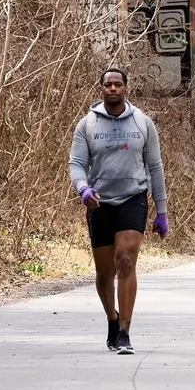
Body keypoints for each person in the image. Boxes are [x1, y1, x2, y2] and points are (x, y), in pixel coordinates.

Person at [68, 67, 169, 356]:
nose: (113, 88)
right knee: (104, 272)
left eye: (118, 84)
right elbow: (76, 162)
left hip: (132, 198)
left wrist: (161, 211)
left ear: (126, 88)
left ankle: (124, 332)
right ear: (101, 89)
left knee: (125, 261)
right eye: (108, 84)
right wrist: (83, 189)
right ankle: (112, 320)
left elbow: (155, 167)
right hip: (98, 201)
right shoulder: (87, 125)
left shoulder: (143, 123)